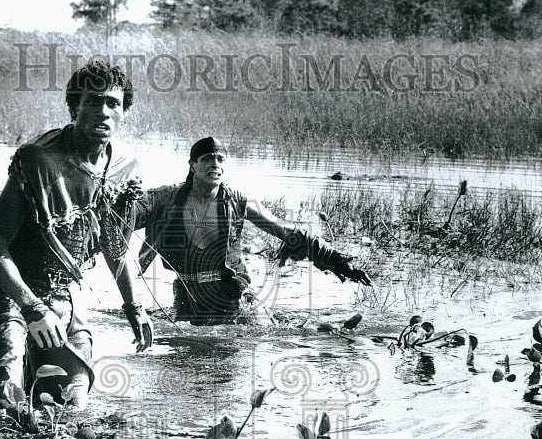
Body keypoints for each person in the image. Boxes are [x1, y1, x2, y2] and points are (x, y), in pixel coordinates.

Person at [0, 61, 153, 412]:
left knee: (70, 404)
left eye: (113, 103)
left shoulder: (125, 167)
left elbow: (115, 246)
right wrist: (32, 308)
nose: (103, 112)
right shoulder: (39, 159)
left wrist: (133, 306)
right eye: (93, 101)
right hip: (12, 292)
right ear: (74, 107)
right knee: (0, 400)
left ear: (125, 111)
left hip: (62, 295)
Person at [131, 136, 371, 325]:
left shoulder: (238, 201)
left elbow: (284, 230)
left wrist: (335, 259)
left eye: (220, 159)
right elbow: (128, 215)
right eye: (207, 159)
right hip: (186, 294)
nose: (214, 164)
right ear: (193, 165)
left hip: (231, 292)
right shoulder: (166, 198)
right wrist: (121, 199)